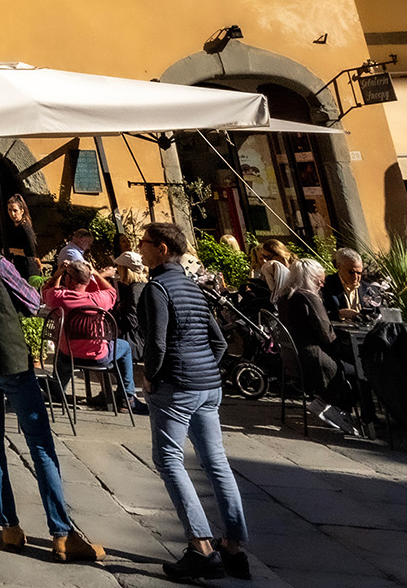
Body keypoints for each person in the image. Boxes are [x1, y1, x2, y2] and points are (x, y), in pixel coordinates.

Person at [0, 202, 99, 563]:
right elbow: (32, 301)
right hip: (11, 361)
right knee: (40, 445)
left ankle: (9, 527)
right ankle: (61, 532)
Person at [138, 221, 250, 582]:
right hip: (208, 386)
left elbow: (156, 343)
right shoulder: (193, 287)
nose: (140, 249)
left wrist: (151, 376)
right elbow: (219, 342)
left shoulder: (157, 288)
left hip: (176, 386)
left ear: (162, 250)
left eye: (145, 243)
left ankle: (201, 546)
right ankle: (233, 547)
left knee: (169, 461)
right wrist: (204, 369)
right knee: (216, 462)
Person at [42, 257, 136, 412]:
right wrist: (96, 275)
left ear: (69, 279)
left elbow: (45, 292)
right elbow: (111, 292)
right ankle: (126, 396)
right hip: (99, 357)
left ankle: (57, 388)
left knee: (62, 350)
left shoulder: (61, 298)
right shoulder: (99, 299)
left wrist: (57, 274)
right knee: (125, 347)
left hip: (70, 356)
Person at [277, 261, 356, 434]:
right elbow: (326, 334)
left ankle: (331, 404)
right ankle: (338, 408)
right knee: (358, 369)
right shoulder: (309, 297)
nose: (322, 284)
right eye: (319, 281)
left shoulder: (286, 296)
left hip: (292, 358)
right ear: (309, 279)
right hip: (314, 359)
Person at [321, 247, 389, 320]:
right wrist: (340, 314)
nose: (355, 277)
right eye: (351, 272)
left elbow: (381, 313)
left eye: (359, 273)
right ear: (338, 266)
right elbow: (319, 315)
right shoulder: (325, 286)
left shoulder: (369, 289)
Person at [0, 195, 40, 280]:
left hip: (28, 271)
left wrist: (10, 250)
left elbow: (30, 252)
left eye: (15, 210)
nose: (12, 214)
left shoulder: (25, 228)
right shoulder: (15, 227)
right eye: (9, 210)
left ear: (22, 211)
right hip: (20, 268)